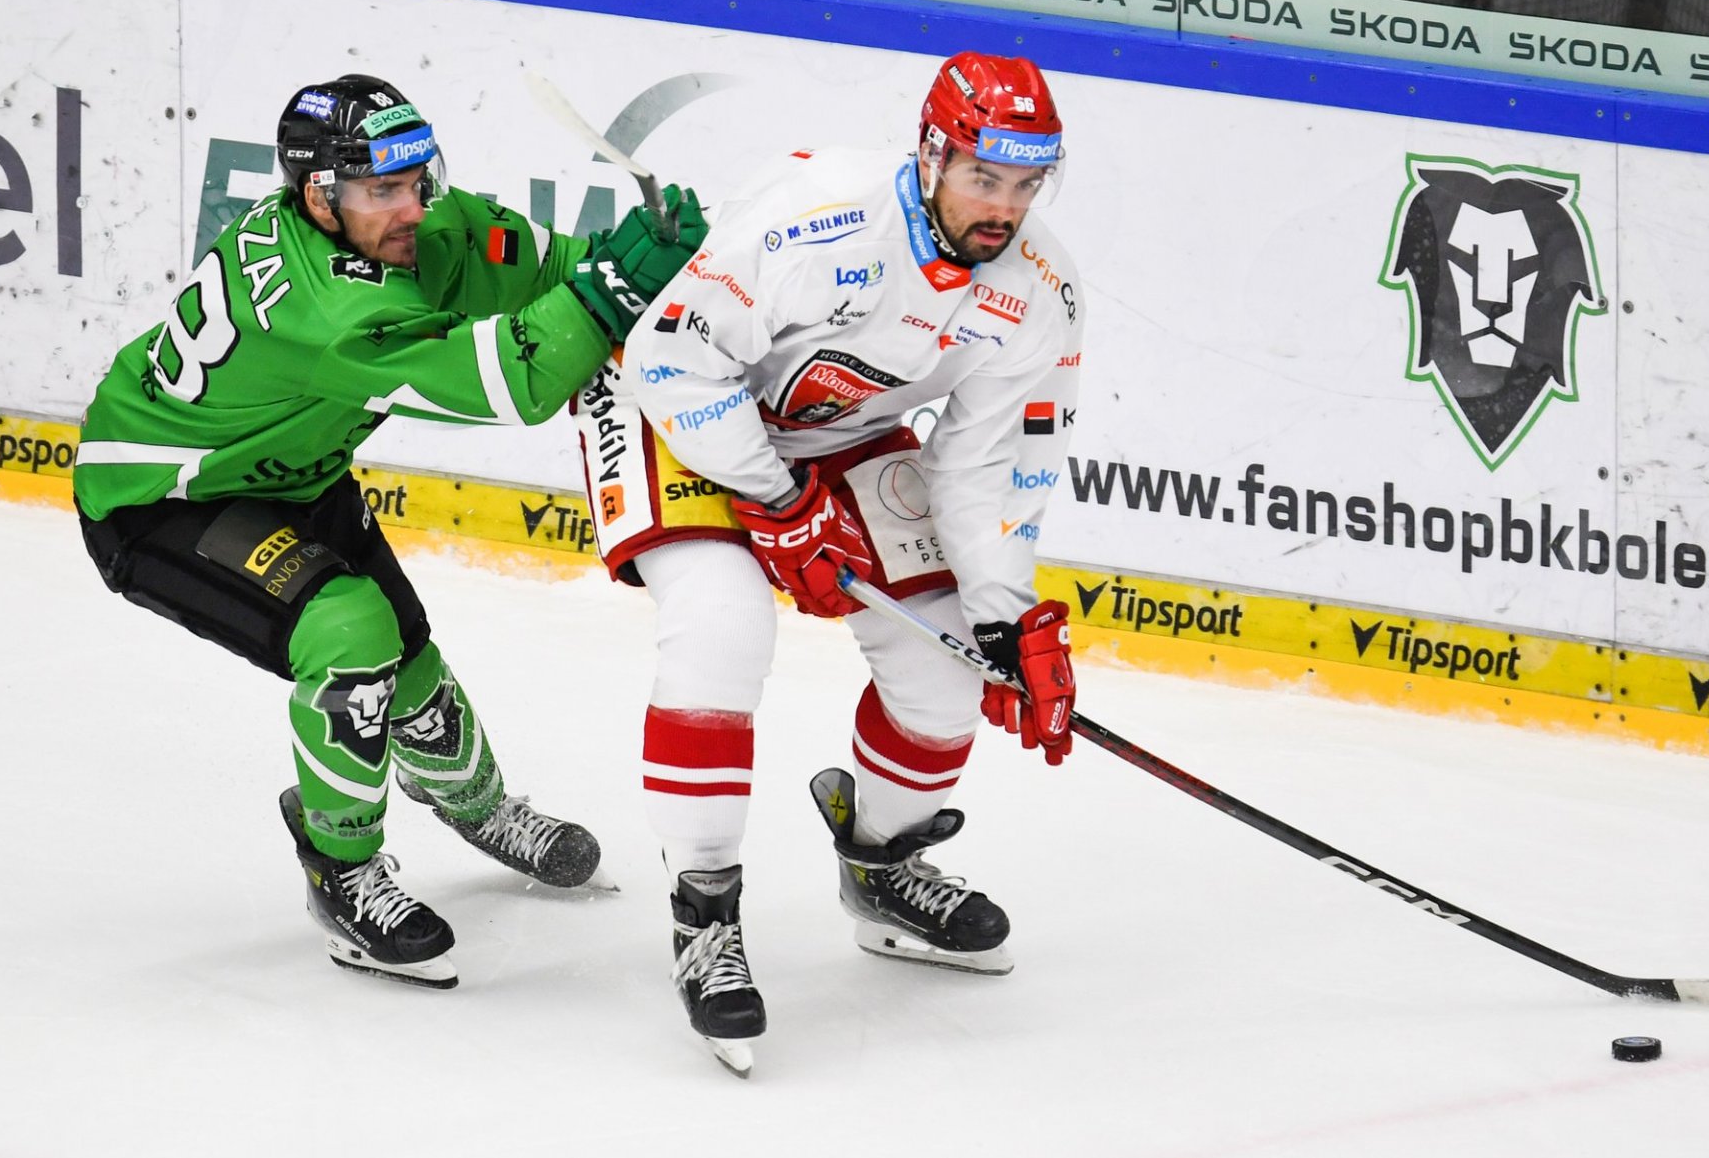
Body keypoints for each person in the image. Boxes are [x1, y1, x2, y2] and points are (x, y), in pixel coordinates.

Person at [73, 74, 706, 989]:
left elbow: (555, 268)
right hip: (162, 497)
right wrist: (606, 296)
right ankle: (341, 871)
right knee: (351, 636)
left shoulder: (408, 224)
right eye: (384, 190)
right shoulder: (323, 306)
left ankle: (478, 805)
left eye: (418, 180)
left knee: (409, 663)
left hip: (295, 470)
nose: (415, 207)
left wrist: (640, 260)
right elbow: (514, 379)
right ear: (319, 197)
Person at [571, 52, 1083, 1067]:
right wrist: (779, 501)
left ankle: (881, 868)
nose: (1004, 208)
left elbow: (987, 466)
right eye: (984, 177)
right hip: (670, 402)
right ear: (931, 156)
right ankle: (704, 913)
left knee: (945, 671)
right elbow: (672, 357)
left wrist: (1003, 617)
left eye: (1027, 184)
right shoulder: (822, 218)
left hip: (830, 433)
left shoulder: (1038, 289)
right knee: (724, 626)